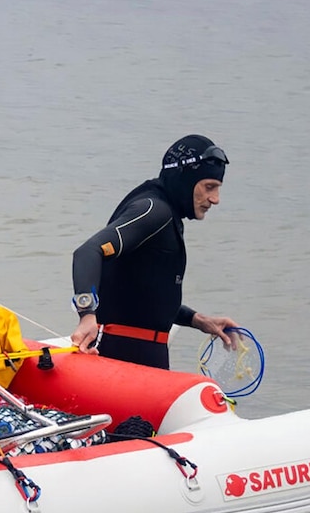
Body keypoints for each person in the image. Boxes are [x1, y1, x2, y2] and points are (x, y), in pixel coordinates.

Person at [69, 134, 241, 369]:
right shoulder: (154, 211)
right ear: (185, 179)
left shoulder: (167, 214)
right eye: (209, 187)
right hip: (122, 358)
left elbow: (143, 294)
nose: (215, 199)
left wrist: (198, 320)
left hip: (143, 358)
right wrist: (87, 314)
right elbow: (88, 252)